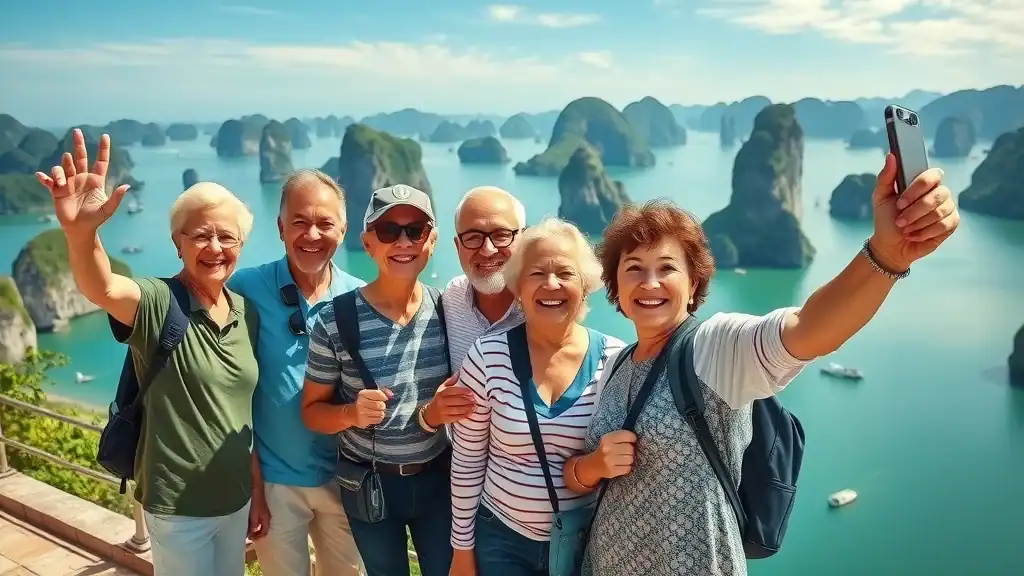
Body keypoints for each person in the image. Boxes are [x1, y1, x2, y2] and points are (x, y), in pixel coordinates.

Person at [563, 155, 960, 576]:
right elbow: (580, 474)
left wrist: (886, 254)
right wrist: (594, 466)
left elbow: (808, 329)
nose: (650, 283)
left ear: (693, 283)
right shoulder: (617, 364)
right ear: (616, 286)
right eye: (634, 270)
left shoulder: (714, 348)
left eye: (667, 269)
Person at [34, 129, 259, 576]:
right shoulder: (159, 302)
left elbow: (242, 413)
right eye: (200, 236)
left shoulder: (246, 312)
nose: (215, 248)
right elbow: (105, 287)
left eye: (227, 238)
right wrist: (82, 234)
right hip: (178, 507)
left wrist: (257, 491)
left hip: (236, 500)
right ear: (178, 244)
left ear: (241, 245)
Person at [449, 217, 626, 576]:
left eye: (565, 273)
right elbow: (467, 462)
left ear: (586, 285)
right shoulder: (487, 357)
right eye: (536, 274)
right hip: (501, 538)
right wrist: (462, 552)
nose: (551, 285)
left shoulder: (616, 360)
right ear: (517, 287)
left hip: (586, 539)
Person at [300, 184, 454, 576]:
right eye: (388, 231)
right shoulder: (334, 320)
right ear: (368, 244)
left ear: (431, 241)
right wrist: (352, 413)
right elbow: (312, 413)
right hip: (370, 484)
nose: (403, 241)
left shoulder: (447, 310)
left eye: (415, 230)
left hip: (438, 479)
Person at [227, 169, 364, 576]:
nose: (312, 235)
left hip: (344, 479)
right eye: (300, 223)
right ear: (281, 227)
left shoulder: (358, 299)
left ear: (343, 229)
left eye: (325, 223)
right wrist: (252, 487)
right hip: (274, 481)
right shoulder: (245, 287)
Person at [441, 186, 527, 370]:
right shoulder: (450, 298)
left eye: (501, 235)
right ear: (458, 247)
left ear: (524, 239)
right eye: (473, 237)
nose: (488, 250)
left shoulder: (542, 303)